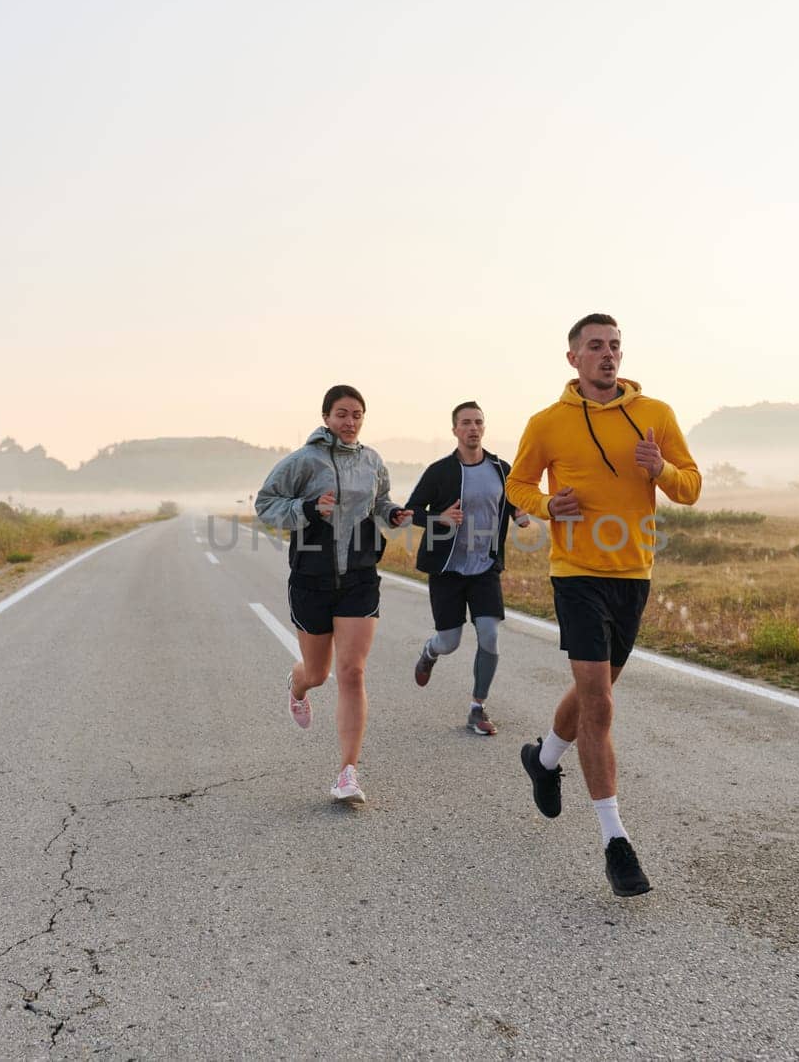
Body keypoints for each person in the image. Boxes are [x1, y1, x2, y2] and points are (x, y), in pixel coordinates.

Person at [503, 314, 701, 896]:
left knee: (599, 693)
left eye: (614, 346)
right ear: (573, 358)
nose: (607, 355)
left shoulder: (655, 415)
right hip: (576, 574)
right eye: (595, 347)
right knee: (599, 704)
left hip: (632, 573)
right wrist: (545, 506)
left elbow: (690, 486)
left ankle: (543, 760)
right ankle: (616, 843)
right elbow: (518, 484)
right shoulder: (547, 423)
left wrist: (659, 469)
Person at [256, 385, 413, 805]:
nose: (350, 422)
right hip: (312, 578)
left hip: (360, 577)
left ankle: (348, 772)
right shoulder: (303, 461)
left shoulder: (372, 460)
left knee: (352, 671)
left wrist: (393, 514)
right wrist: (307, 510)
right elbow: (265, 503)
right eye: (342, 414)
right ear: (326, 417)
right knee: (319, 672)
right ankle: (298, 684)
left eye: (357, 414)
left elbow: (380, 503)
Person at [404, 401, 531, 736]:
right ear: (455, 430)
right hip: (447, 569)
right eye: (466, 423)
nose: (472, 428)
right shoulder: (439, 471)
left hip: (485, 567)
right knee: (450, 641)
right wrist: (439, 519)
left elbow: (513, 498)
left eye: (478, 422)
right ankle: (430, 652)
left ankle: (478, 707)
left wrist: (518, 515)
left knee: (489, 634)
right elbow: (410, 511)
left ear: (484, 428)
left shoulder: (502, 468)